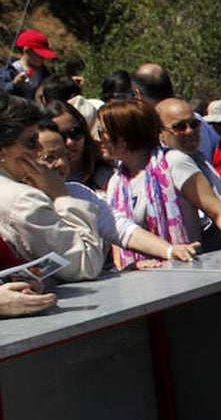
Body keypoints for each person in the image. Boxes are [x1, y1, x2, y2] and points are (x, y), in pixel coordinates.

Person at [96, 98, 221, 269]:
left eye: (102, 132)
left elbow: (218, 211)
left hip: (186, 274)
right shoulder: (116, 182)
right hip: (141, 284)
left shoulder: (173, 163)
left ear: (124, 135)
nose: (98, 139)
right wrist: (133, 265)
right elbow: (119, 239)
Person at [38, 122, 199, 265]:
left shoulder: (78, 193)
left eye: (64, 156)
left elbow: (121, 228)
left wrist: (169, 251)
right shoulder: (23, 202)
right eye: (50, 157)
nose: (61, 163)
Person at [0, 93, 104, 281]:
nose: (38, 151)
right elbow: (86, 265)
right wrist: (61, 195)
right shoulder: (24, 199)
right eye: (31, 142)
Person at [44, 99, 113, 192]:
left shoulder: (109, 172)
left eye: (75, 132)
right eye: (61, 136)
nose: (70, 142)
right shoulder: (41, 182)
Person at [1, 30, 56, 100]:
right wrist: (14, 85)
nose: (43, 59)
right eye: (40, 56)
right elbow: (2, 90)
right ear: (27, 51)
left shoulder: (43, 72)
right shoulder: (11, 70)